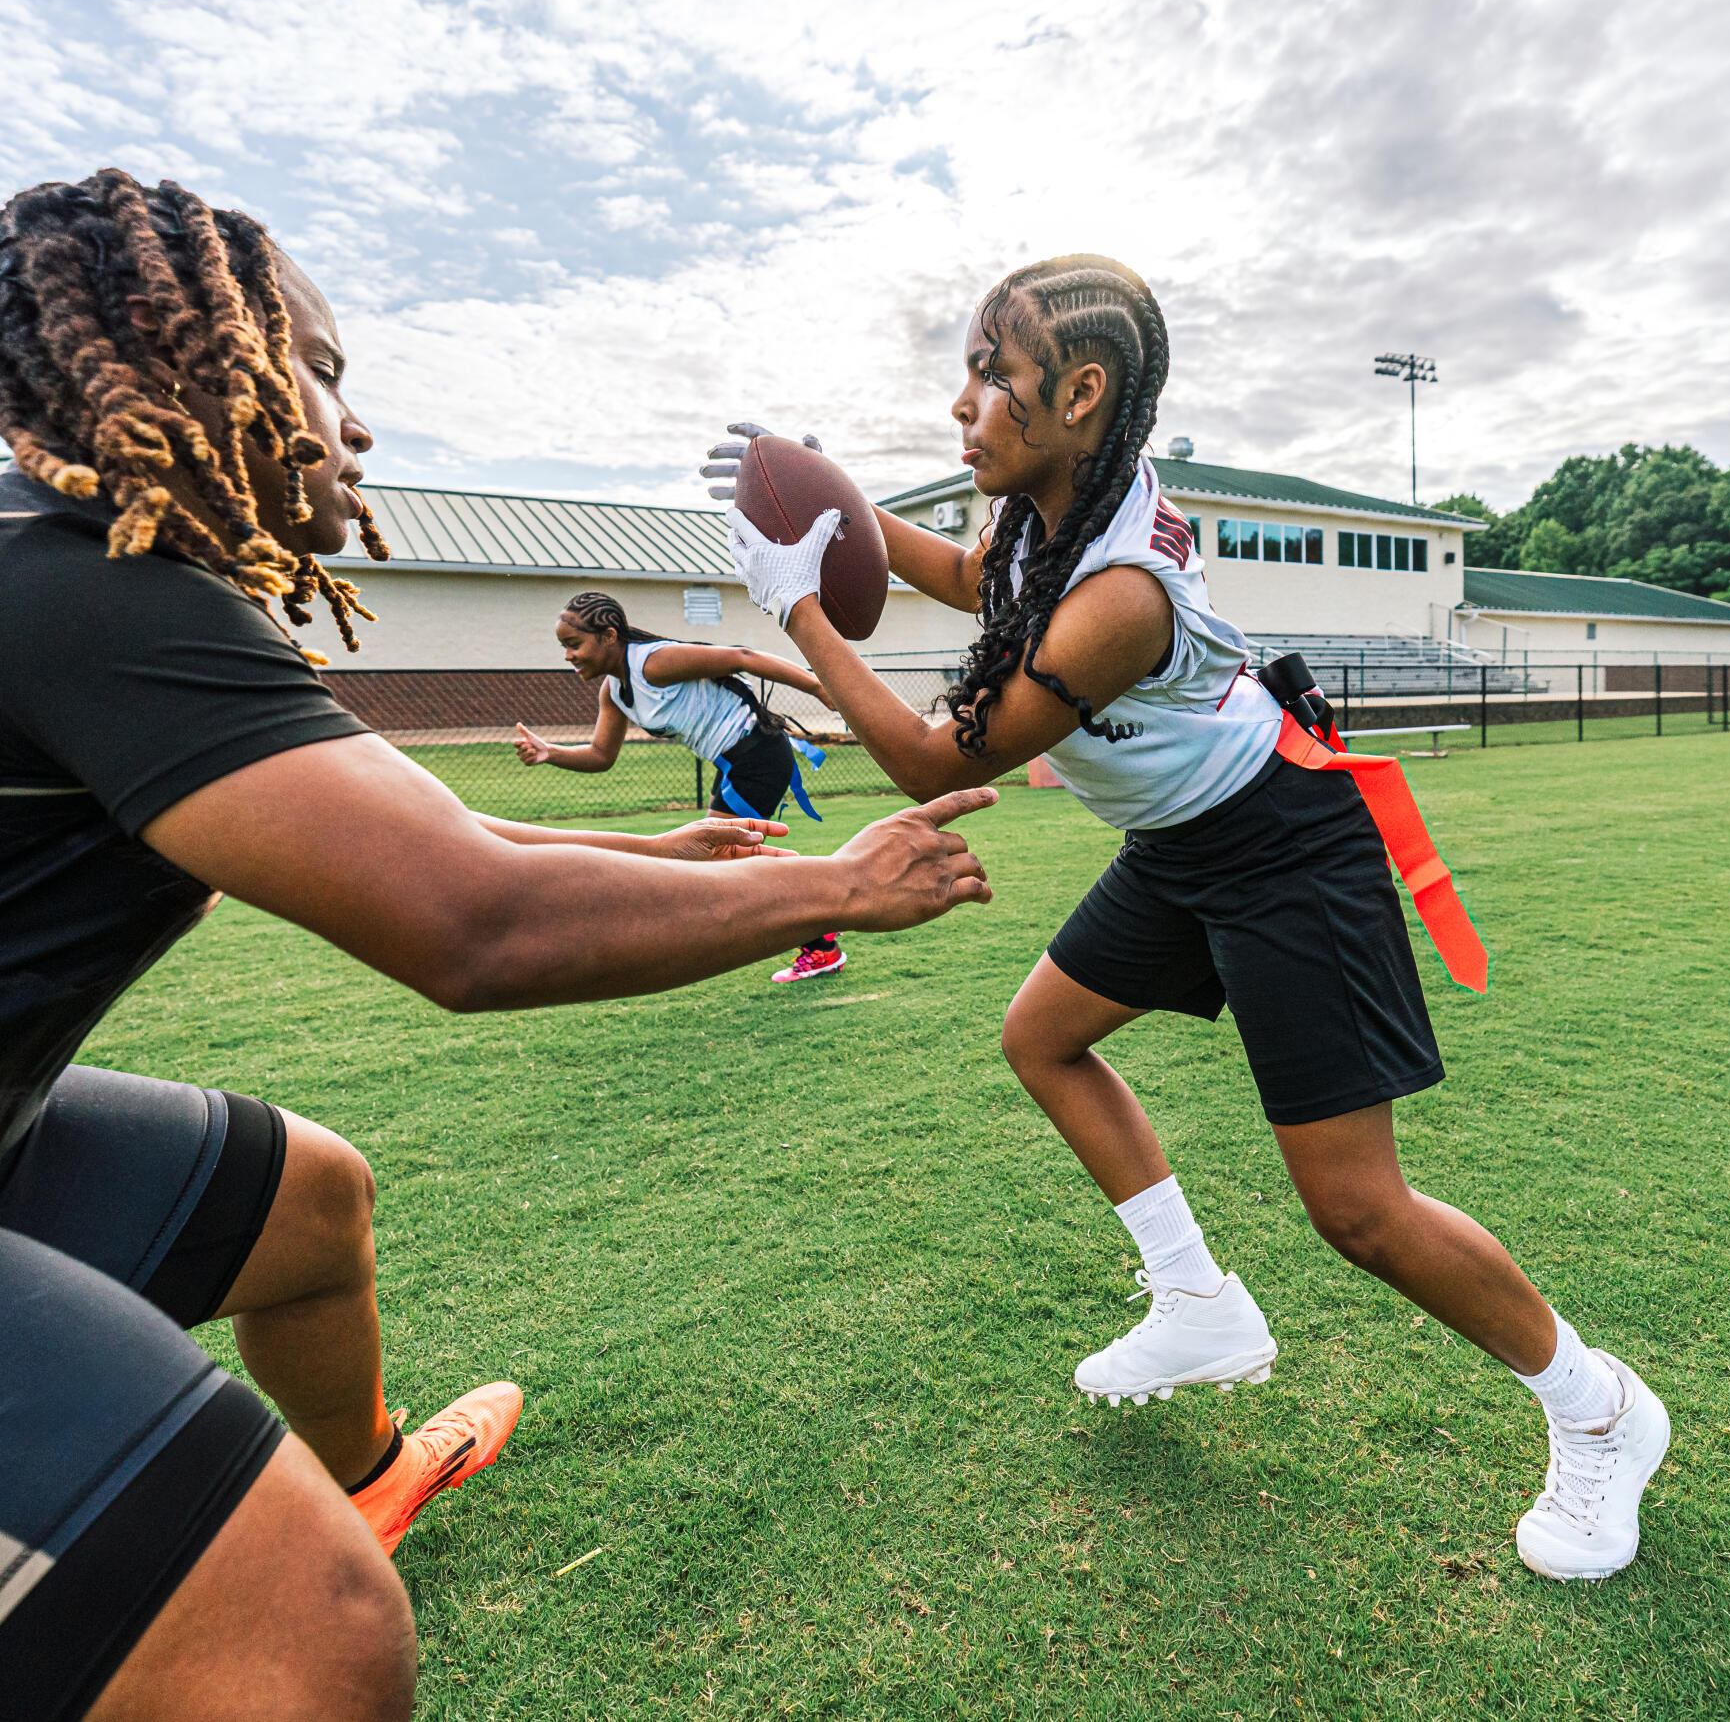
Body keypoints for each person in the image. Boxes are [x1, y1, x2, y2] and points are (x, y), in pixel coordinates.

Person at [0, 169, 996, 1722]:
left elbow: (440, 837)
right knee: (304, 1624)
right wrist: (838, 886)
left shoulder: (101, 577)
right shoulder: (55, 583)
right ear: (187, 364)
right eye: (322, 372)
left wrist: (661, 849)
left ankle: (368, 1473)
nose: (356, 423)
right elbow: (474, 925)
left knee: (305, 1203)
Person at [708, 254, 1668, 1584]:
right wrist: (833, 509)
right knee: (1042, 1036)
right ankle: (1197, 1298)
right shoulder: (1050, 507)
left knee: (1358, 1209)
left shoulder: (1119, 596)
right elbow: (972, 576)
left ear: (1081, 396)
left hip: (1282, 843)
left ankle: (1599, 1405)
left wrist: (796, 604)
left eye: (992, 374)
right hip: (1184, 841)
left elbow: (935, 761)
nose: (963, 404)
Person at [515, 592, 850, 984]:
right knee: (725, 859)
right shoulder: (614, 691)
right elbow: (601, 755)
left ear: (608, 636)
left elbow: (743, 657)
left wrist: (818, 687)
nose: (568, 655)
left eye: (574, 644)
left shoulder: (653, 663)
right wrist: (550, 752)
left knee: (720, 860)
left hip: (758, 755)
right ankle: (824, 914)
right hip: (735, 764)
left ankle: (824, 929)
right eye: (564, 647)